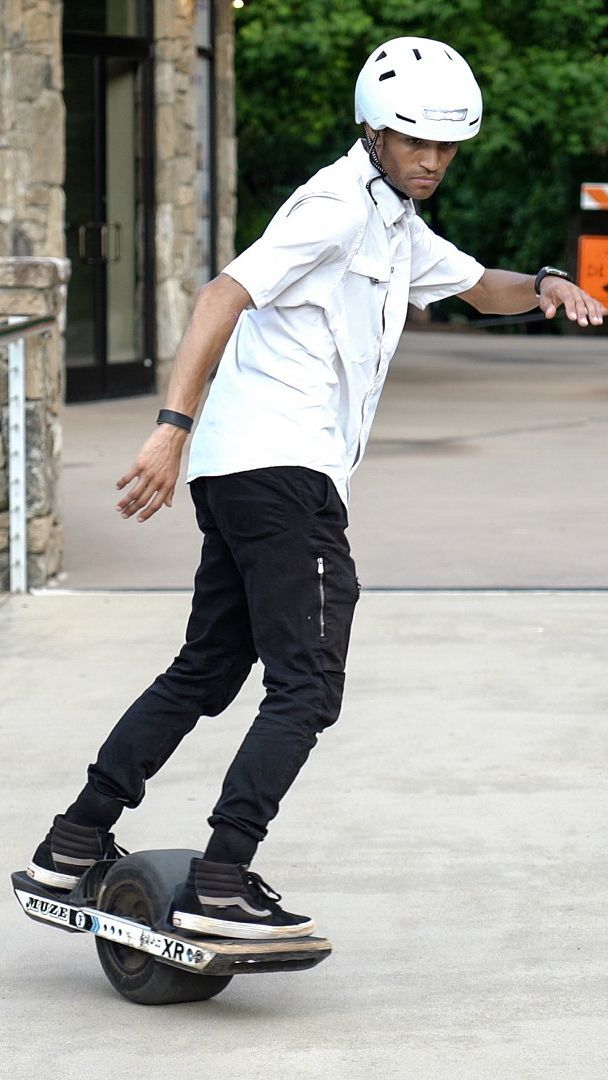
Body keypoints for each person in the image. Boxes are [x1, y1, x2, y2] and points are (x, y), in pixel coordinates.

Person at [27, 37, 603, 941]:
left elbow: (477, 287)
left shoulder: (392, 218)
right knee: (308, 683)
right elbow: (224, 293)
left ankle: (73, 838)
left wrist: (543, 284)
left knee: (209, 668)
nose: (434, 160)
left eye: (449, 146)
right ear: (372, 129)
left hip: (250, 472)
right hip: (278, 472)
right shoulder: (336, 206)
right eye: (416, 141)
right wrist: (171, 428)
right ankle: (222, 878)